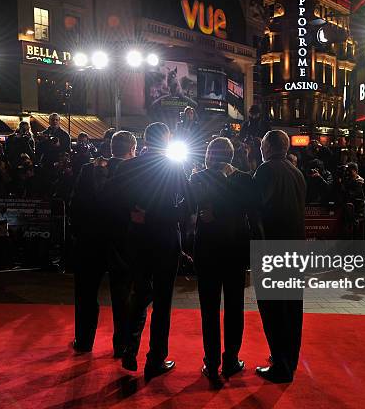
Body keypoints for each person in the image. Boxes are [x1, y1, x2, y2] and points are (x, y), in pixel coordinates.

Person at [115, 122, 187, 380]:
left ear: (145, 140)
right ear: (166, 141)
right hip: (165, 238)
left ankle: (129, 348)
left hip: (138, 240)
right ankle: (155, 358)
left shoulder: (128, 166)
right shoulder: (174, 166)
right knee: (163, 301)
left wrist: (136, 216)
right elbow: (186, 206)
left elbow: (114, 201)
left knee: (140, 292)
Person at [189, 137, 262, 380]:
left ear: (210, 155)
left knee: (209, 308)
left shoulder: (198, 178)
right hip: (235, 250)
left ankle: (211, 362)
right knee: (234, 306)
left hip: (207, 251)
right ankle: (231, 359)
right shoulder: (244, 179)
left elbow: (191, 209)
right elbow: (253, 213)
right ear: (231, 156)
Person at [69, 130, 137, 355]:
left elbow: (75, 205)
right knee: (123, 295)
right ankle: (122, 345)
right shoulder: (135, 172)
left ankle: (84, 341)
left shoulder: (88, 169)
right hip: (122, 241)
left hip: (89, 241)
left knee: (86, 293)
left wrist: (79, 234)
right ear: (132, 149)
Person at [253, 130, 306, 383]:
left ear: (269, 146)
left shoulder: (265, 171)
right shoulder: (296, 173)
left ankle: (280, 364)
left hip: (272, 249)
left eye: (262, 143)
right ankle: (290, 359)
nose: (260, 148)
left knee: (273, 308)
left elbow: (257, 210)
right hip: (295, 247)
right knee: (293, 307)